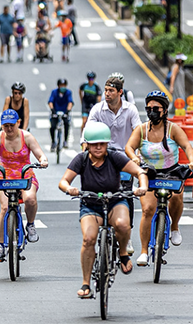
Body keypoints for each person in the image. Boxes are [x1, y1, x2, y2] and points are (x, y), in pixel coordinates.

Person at [59, 122, 148, 298]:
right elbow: (63, 181)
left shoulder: (115, 157)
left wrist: (142, 186)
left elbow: (140, 172)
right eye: (93, 144)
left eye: (101, 143)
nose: (98, 147)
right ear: (87, 145)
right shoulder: (81, 159)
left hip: (115, 201)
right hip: (90, 204)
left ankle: (123, 253)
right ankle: (85, 284)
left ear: (107, 144)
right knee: (89, 238)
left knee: (122, 224)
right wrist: (69, 189)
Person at [125, 90, 193, 266]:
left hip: (171, 172)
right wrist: (134, 157)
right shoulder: (141, 130)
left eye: (156, 108)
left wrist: (192, 161)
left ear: (164, 110)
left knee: (177, 199)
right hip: (149, 174)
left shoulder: (173, 129)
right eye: (149, 108)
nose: (152, 111)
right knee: (148, 209)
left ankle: (174, 227)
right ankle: (143, 251)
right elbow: (129, 146)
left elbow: (187, 146)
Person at [0, 109, 49, 262]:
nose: (9, 129)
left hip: (25, 175)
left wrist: (43, 160)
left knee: (30, 199)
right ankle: (1, 246)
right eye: (6, 126)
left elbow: (40, 154)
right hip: (5, 176)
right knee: (5, 208)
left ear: (18, 123)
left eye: (12, 125)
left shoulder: (27, 137)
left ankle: (30, 225)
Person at [82, 73, 141, 152]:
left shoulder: (131, 109)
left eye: (111, 91)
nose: (107, 94)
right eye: (106, 90)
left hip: (126, 154)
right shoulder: (97, 109)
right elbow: (88, 129)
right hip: (105, 154)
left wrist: (137, 153)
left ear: (120, 92)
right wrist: (84, 144)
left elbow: (138, 131)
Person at [47, 78, 74, 152]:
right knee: (52, 126)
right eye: (61, 85)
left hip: (64, 111)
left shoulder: (68, 92)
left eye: (64, 85)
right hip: (55, 111)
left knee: (66, 124)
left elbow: (70, 102)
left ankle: (65, 141)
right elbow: (50, 102)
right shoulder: (54, 92)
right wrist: (52, 110)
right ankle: (53, 142)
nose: (63, 87)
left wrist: (68, 111)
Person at [79, 72, 102, 137]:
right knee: (84, 122)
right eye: (89, 79)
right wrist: (82, 100)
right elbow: (80, 91)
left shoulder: (96, 86)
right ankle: (82, 137)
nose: (90, 81)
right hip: (85, 104)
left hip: (93, 105)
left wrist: (98, 106)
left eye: (92, 79)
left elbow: (99, 97)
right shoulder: (84, 85)